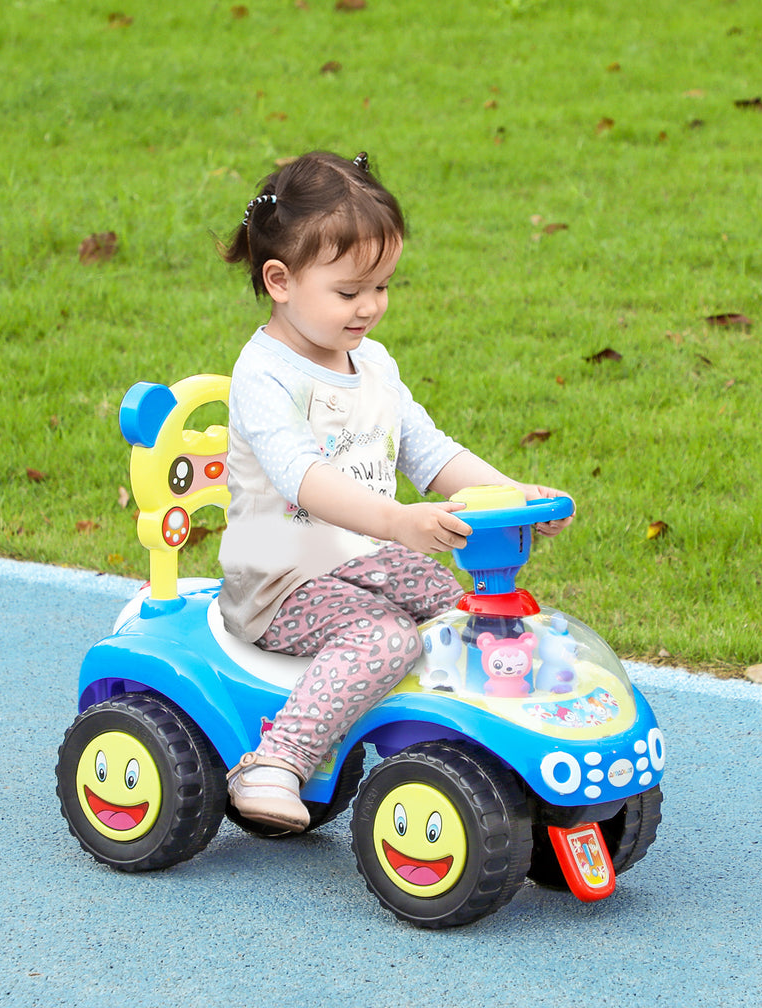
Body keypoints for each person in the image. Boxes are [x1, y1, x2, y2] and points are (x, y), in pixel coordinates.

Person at [218, 150, 574, 831]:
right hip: (281, 579)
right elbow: (306, 480)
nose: (370, 307)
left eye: (383, 287)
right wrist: (396, 522)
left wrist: (512, 492)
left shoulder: (373, 363)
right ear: (280, 280)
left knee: (457, 611)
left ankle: (458, 752)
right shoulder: (264, 375)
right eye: (350, 292)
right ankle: (278, 759)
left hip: (360, 557)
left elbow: (431, 453)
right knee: (383, 636)